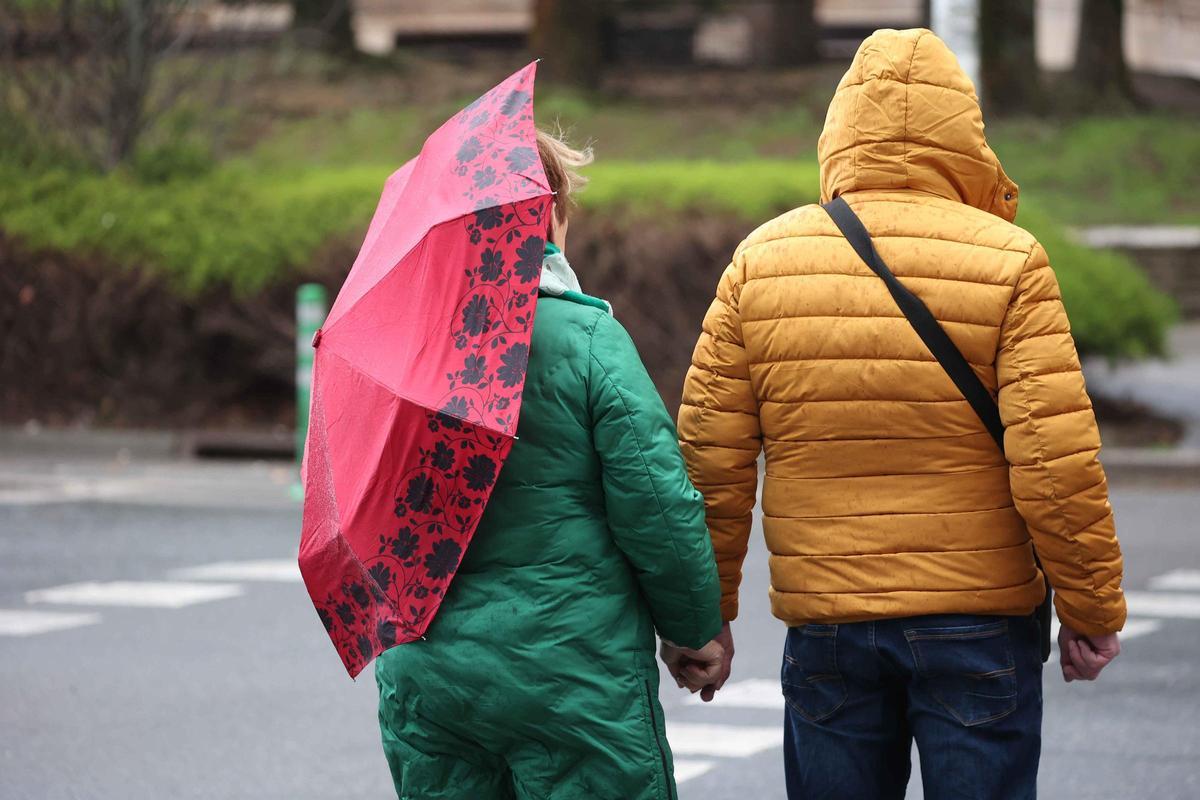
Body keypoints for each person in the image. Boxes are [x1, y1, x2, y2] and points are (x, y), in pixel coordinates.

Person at [679, 28, 1127, 799]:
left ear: (839, 131)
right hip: (978, 621)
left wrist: (703, 616)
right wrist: (1090, 607)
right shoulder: (1012, 262)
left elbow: (707, 460)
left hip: (828, 628)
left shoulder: (761, 263)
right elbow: (1054, 462)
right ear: (965, 137)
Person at [374, 128, 725, 800]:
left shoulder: (394, 351)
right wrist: (692, 631)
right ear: (549, 213)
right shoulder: (586, 340)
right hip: (572, 674)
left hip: (429, 675)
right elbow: (657, 505)